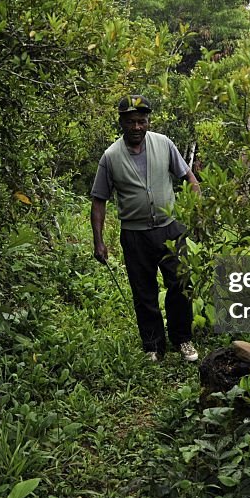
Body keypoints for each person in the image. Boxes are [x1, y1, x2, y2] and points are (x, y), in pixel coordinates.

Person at [90, 95, 202, 362]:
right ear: (122, 123)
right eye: (131, 122)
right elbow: (99, 201)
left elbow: (189, 177)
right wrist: (99, 242)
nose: (137, 127)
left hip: (170, 228)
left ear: (147, 122)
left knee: (180, 285)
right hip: (135, 235)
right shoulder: (111, 157)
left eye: (142, 121)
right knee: (144, 291)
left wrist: (197, 214)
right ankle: (153, 346)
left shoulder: (163, 144)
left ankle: (182, 339)